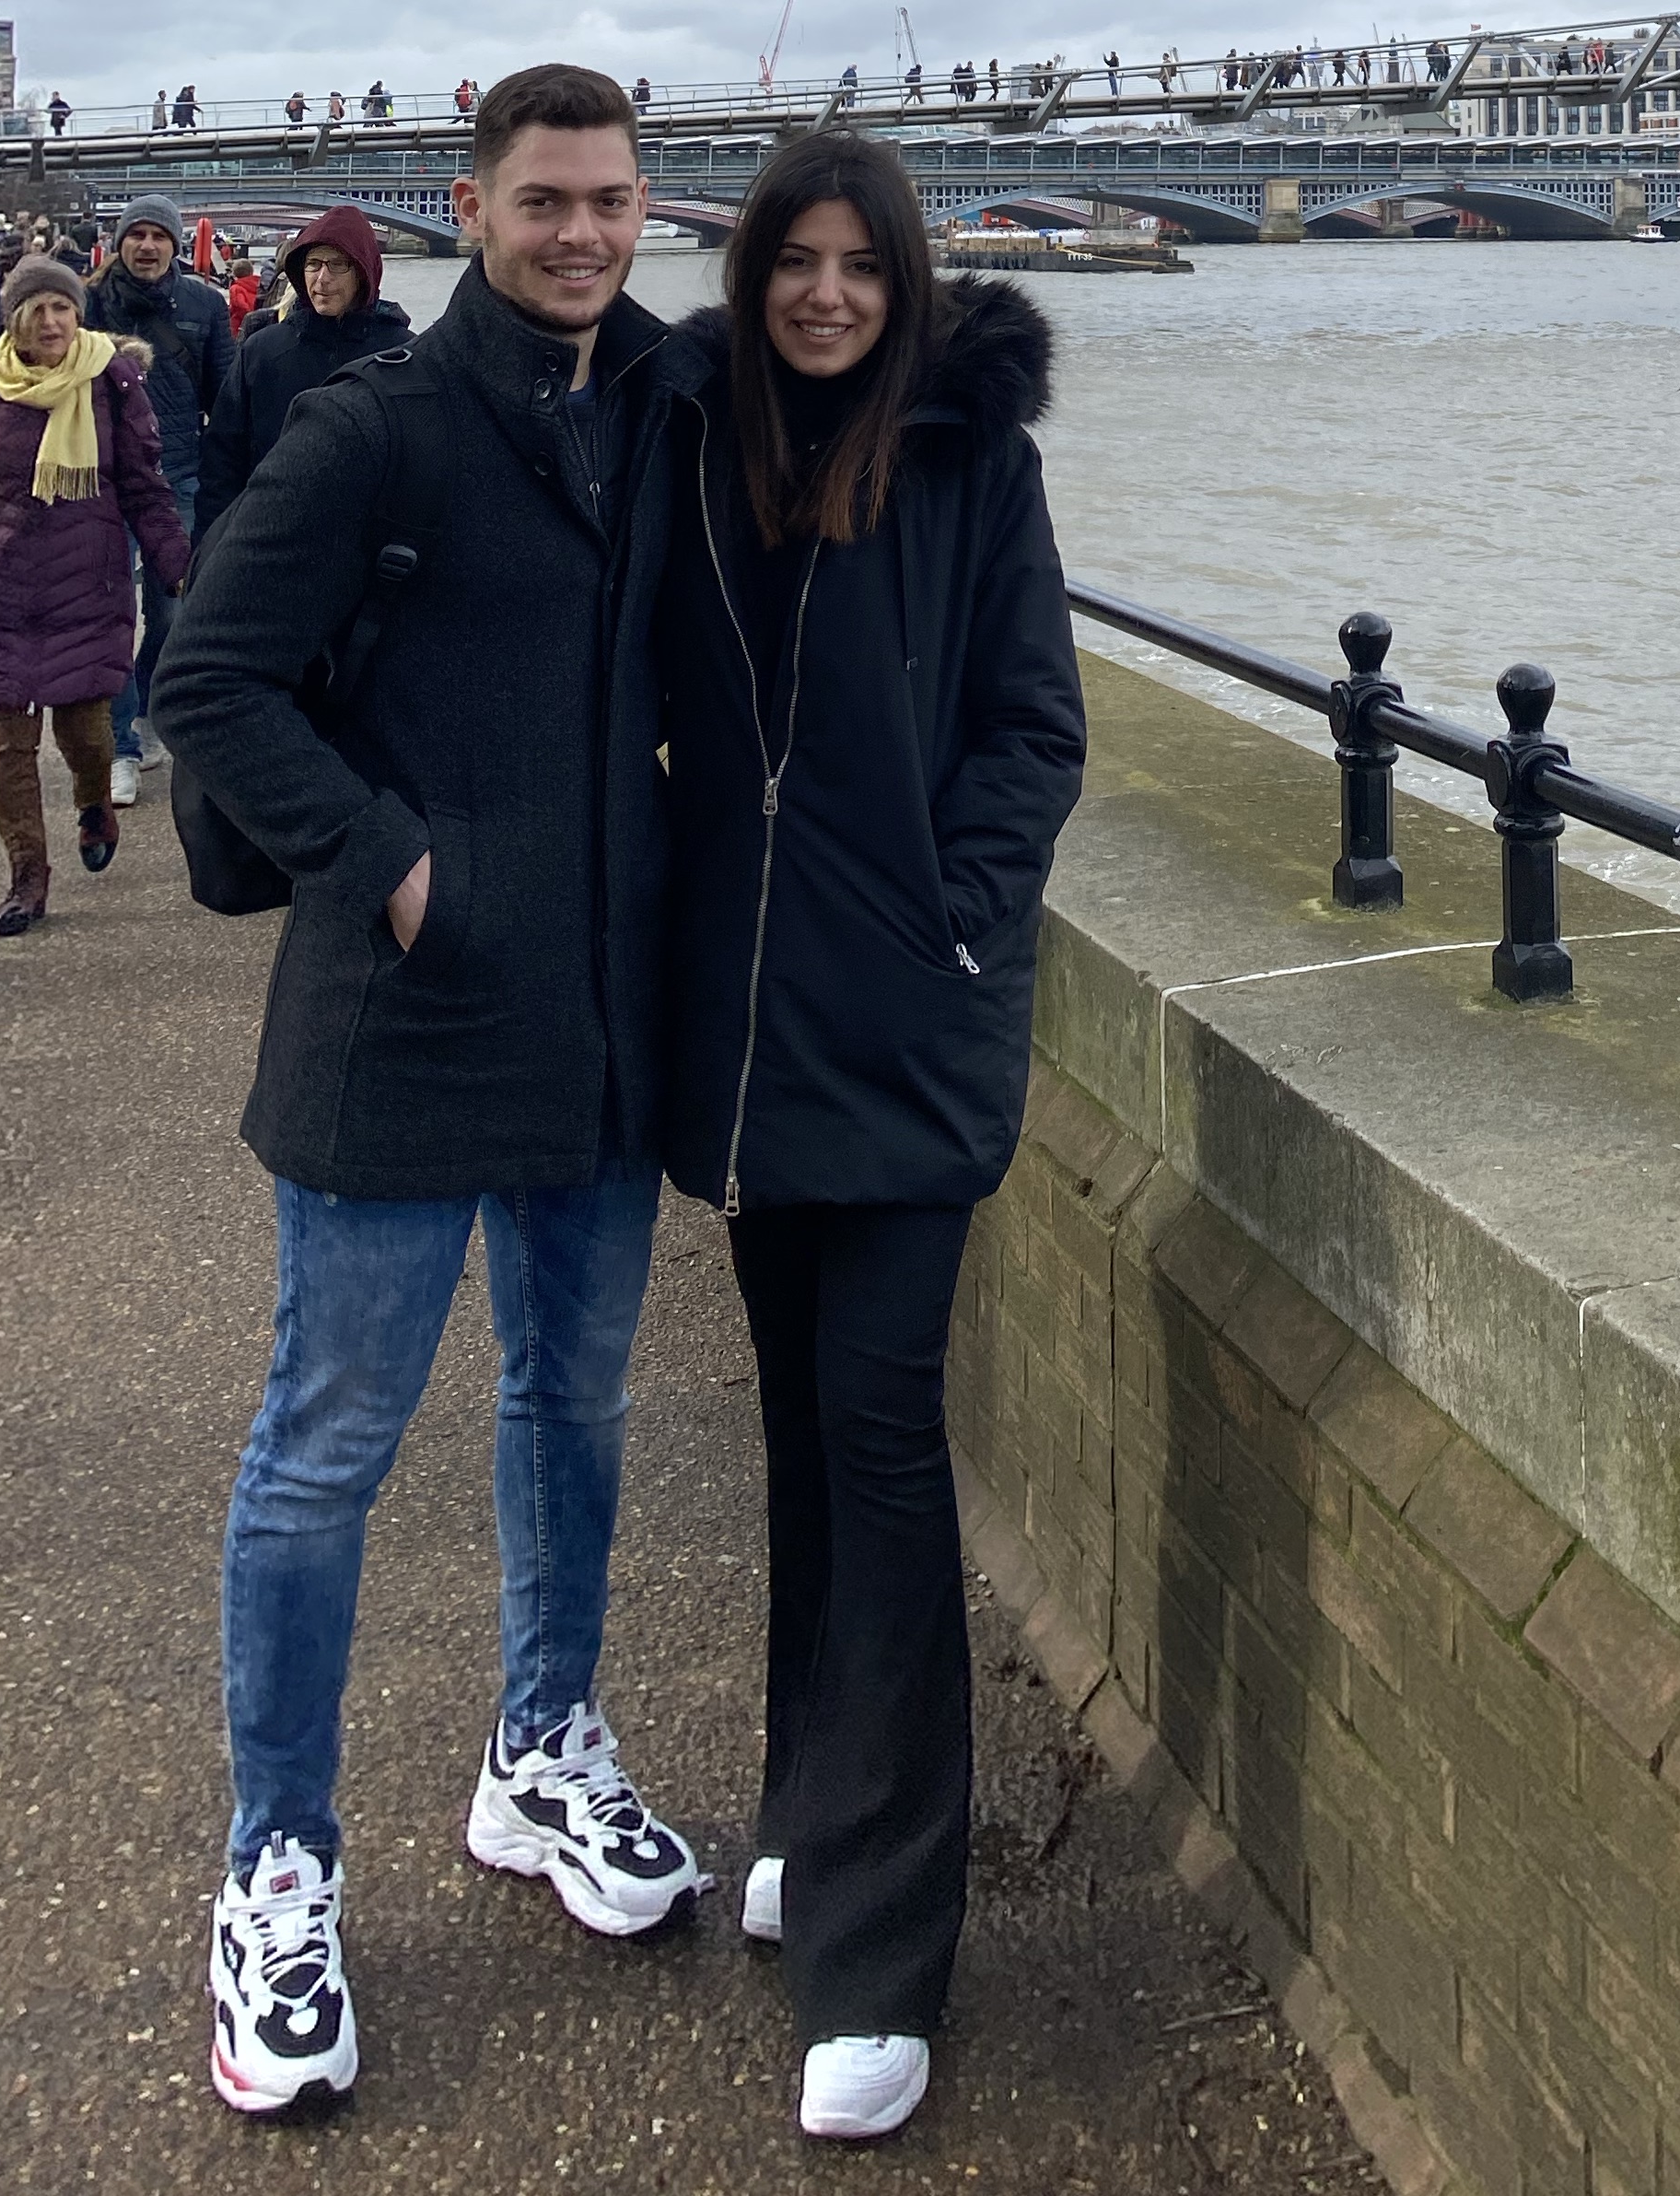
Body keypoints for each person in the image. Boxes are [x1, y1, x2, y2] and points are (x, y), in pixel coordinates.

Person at [149, 67, 701, 2120]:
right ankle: (275, 1865)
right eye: (545, 201)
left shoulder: (657, 406)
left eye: (613, 200)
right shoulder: (366, 422)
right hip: (402, 1014)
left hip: (597, 1022)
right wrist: (387, 864)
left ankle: (539, 1746)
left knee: (578, 1399)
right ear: (468, 207)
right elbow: (206, 674)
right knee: (326, 1448)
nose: (582, 232)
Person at [658, 131, 1083, 2146]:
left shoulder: (969, 461)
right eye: (793, 262)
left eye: (858, 264)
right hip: (753, 1046)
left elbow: (1033, 727)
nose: (826, 293)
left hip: (906, 1038)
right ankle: (806, 1815)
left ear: (905, 279)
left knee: (889, 1452)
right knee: (806, 1445)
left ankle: (882, 1951)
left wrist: (962, 909)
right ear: (750, 279)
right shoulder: (703, 447)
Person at [0, 255, 190, 934]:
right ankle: (26, 878)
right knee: (7, 745)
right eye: (37, 310)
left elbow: (144, 488)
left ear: (79, 313)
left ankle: (93, 800)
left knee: (88, 733)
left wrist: (179, 568)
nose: (51, 322)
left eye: (62, 308)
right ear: (14, 318)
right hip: (2, 588)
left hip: (88, 585)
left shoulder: (113, 382)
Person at [88, 194, 237, 802]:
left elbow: (225, 398)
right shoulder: (88, 303)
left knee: (173, 615)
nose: (146, 246)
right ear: (120, 242)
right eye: (136, 235)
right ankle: (122, 743)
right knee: (112, 611)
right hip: (99, 479)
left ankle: (147, 703)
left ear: (176, 245)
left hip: (178, 476)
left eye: (159, 236)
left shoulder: (205, 306)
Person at [194, 208, 411, 530]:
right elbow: (223, 461)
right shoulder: (262, 351)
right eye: (313, 264)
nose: (322, 279)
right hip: (273, 534)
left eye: (337, 265)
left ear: (363, 273)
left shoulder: (402, 356)